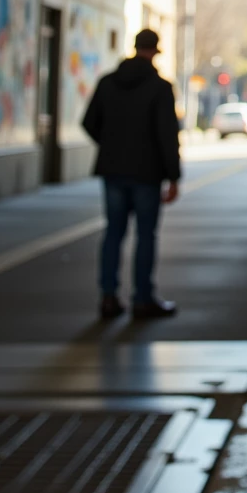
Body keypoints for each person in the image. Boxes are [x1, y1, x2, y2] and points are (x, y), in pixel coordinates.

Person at [82, 27, 181, 321]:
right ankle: (142, 298)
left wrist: (110, 145)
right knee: (145, 235)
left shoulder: (107, 83)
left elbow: (89, 122)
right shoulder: (160, 87)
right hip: (147, 173)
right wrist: (173, 176)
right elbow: (167, 135)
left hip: (113, 170)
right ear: (155, 51)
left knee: (113, 232)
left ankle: (108, 297)